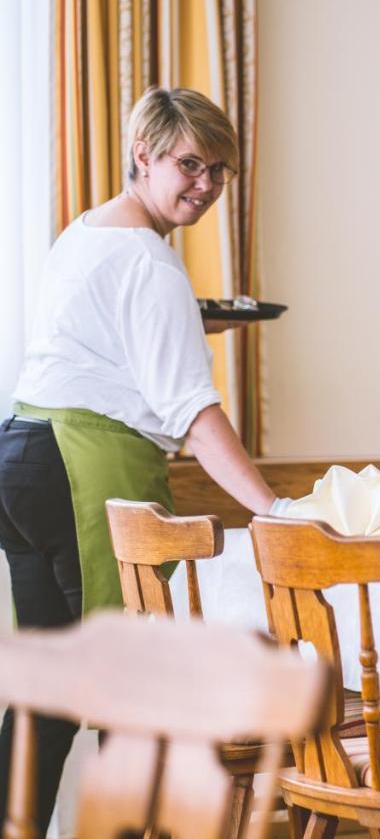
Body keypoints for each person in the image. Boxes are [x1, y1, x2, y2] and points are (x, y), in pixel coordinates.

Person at [0, 87, 289, 833]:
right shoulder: (150, 265)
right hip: (82, 466)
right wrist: (277, 510)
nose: (206, 185)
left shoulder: (87, 231)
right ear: (144, 155)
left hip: (24, 457)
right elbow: (193, 415)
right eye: (190, 164)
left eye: (220, 170)